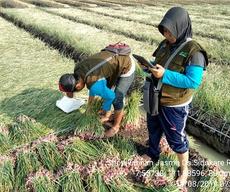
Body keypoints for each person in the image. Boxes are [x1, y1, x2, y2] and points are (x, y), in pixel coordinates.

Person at [144, 7, 208, 188]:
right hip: (156, 97)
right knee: (153, 128)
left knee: (176, 138)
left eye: (170, 31)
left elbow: (193, 82)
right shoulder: (164, 44)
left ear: (181, 27)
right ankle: (152, 153)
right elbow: (156, 61)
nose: (167, 34)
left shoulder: (194, 52)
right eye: (164, 30)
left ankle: (184, 170)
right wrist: (149, 67)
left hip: (175, 104)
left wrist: (164, 74)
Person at [58, 46, 135, 137]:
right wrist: (89, 108)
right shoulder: (78, 69)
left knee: (117, 98)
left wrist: (106, 110)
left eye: (75, 91)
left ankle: (115, 127)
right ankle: (108, 115)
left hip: (125, 64)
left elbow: (109, 96)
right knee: (107, 89)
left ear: (78, 86)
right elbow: (92, 88)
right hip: (112, 60)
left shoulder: (92, 82)